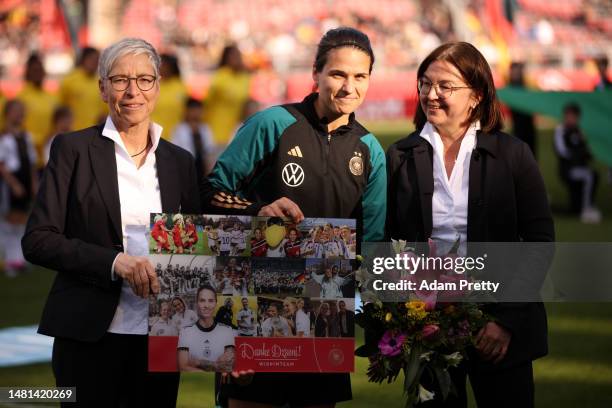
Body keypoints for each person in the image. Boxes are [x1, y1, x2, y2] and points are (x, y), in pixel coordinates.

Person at [201, 27, 386, 408]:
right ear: (315, 74)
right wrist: (257, 211)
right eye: (338, 74)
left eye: (360, 76)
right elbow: (209, 194)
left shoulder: (370, 151)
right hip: (256, 310)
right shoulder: (272, 125)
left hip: (324, 315)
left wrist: (379, 325)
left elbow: (374, 243)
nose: (349, 86)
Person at [21, 38, 201, 407]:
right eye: (120, 79)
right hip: (88, 334)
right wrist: (115, 263)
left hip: (160, 338)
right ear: (103, 88)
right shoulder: (72, 149)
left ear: (158, 86)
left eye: (144, 80)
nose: (133, 91)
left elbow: (196, 250)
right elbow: (38, 239)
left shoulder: (180, 162)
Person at [385, 42, 554, 408]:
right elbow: (388, 240)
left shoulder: (513, 154)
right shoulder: (399, 155)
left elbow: (539, 241)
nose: (431, 94)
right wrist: (403, 312)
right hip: (427, 329)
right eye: (425, 84)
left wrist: (505, 320)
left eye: (445, 86)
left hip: (500, 329)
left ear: (476, 95)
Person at [0, 100, 38, 277]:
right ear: (7, 113)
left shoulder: (26, 136)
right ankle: (8, 261)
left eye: (21, 111)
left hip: (24, 181)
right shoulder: (4, 137)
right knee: (9, 222)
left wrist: (33, 182)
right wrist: (13, 183)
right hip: (10, 182)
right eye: (16, 111)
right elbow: (2, 164)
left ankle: (18, 259)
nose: (20, 115)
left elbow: (31, 162)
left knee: (22, 220)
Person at [553, 103, 601, 223]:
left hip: (579, 167)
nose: (571, 118)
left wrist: (583, 153)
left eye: (573, 116)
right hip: (568, 169)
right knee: (590, 175)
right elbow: (562, 152)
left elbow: (588, 151)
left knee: (591, 176)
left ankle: (582, 207)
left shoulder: (579, 131)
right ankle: (586, 209)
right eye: (568, 115)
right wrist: (579, 154)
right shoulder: (561, 130)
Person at [203, 45, 251, 149]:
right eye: (233, 55)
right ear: (226, 58)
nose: (237, 58)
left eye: (238, 55)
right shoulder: (220, 76)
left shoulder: (245, 77)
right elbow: (207, 102)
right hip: (216, 131)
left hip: (235, 132)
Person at [177, 285, 235, 372]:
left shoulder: (227, 331)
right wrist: (216, 365)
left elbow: (228, 367)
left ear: (216, 303)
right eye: (202, 300)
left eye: (211, 301)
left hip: (218, 384)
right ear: (197, 303)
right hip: (192, 384)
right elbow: (183, 367)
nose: (206, 305)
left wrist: (197, 362)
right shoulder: (185, 331)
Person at [17, 53, 59, 166]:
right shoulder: (21, 98)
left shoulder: (53, 98)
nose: (38, 73)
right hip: (29, 158)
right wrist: (39, 140)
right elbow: (18, 128)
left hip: (50, 157)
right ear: (28, 73)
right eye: (35, 70)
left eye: (40, 69)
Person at [59, 46, 107, 130]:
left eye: (97, 60)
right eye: (92, 59)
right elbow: (61, 108)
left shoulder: (102, 83)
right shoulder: (69, 81)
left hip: (95, 133)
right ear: (83, 60)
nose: (94, 63)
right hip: (73, 132)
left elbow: (105, 111)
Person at [171, 97, 215, 183]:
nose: (196, 113)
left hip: (202, 169)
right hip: (186, 169)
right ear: (187, 111)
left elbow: (209, 152)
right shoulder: (179, 129)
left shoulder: (205, 129)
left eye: (198, 110)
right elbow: (175, 153)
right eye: (193, 110)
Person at [152, 53, 188, 140]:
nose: (163, 68)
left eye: (165, 65)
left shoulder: (181, 87)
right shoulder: (150, 85)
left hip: (176, 137)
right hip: (153, 135)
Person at [507, 62, 536, 158]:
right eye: (514, 72)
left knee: (530, 155)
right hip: (518, 127)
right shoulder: (510, 89)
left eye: (518, 72)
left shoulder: (525, 88)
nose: (516, 74)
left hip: (529, 127)